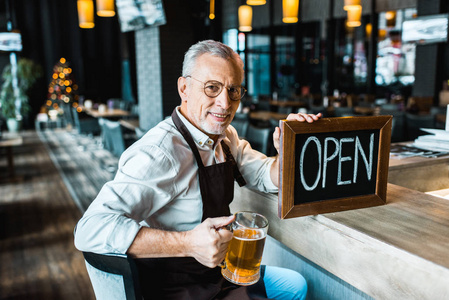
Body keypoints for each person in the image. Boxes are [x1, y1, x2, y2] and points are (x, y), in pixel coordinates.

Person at [74, 40, 321, 299]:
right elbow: (90, 229)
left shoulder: (225, 137)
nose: (225, 103)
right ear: (184, 88)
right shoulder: (159, 152)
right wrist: (188, 243)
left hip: (216, 273)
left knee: (295, 285)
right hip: (175, 287)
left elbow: (261, 173)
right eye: (212, 88)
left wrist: (289, 151)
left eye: (233, 90)